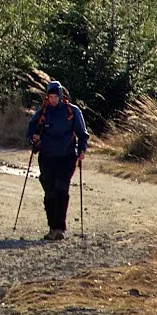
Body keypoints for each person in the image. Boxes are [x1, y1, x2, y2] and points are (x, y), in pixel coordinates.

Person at [27, 80, 90, 241]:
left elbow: (82, 133)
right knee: (49, 191)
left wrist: (82, 150)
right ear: (47, 97)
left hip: (67, 157)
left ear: (61, 96)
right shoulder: (42, 113)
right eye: (50, 97)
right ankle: (52, 227)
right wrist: (33, 139)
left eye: (56, 96)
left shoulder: (72, 111)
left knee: (62, 189)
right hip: (47, 156)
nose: (53, 99)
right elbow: (31, 130)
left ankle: (59, 228)